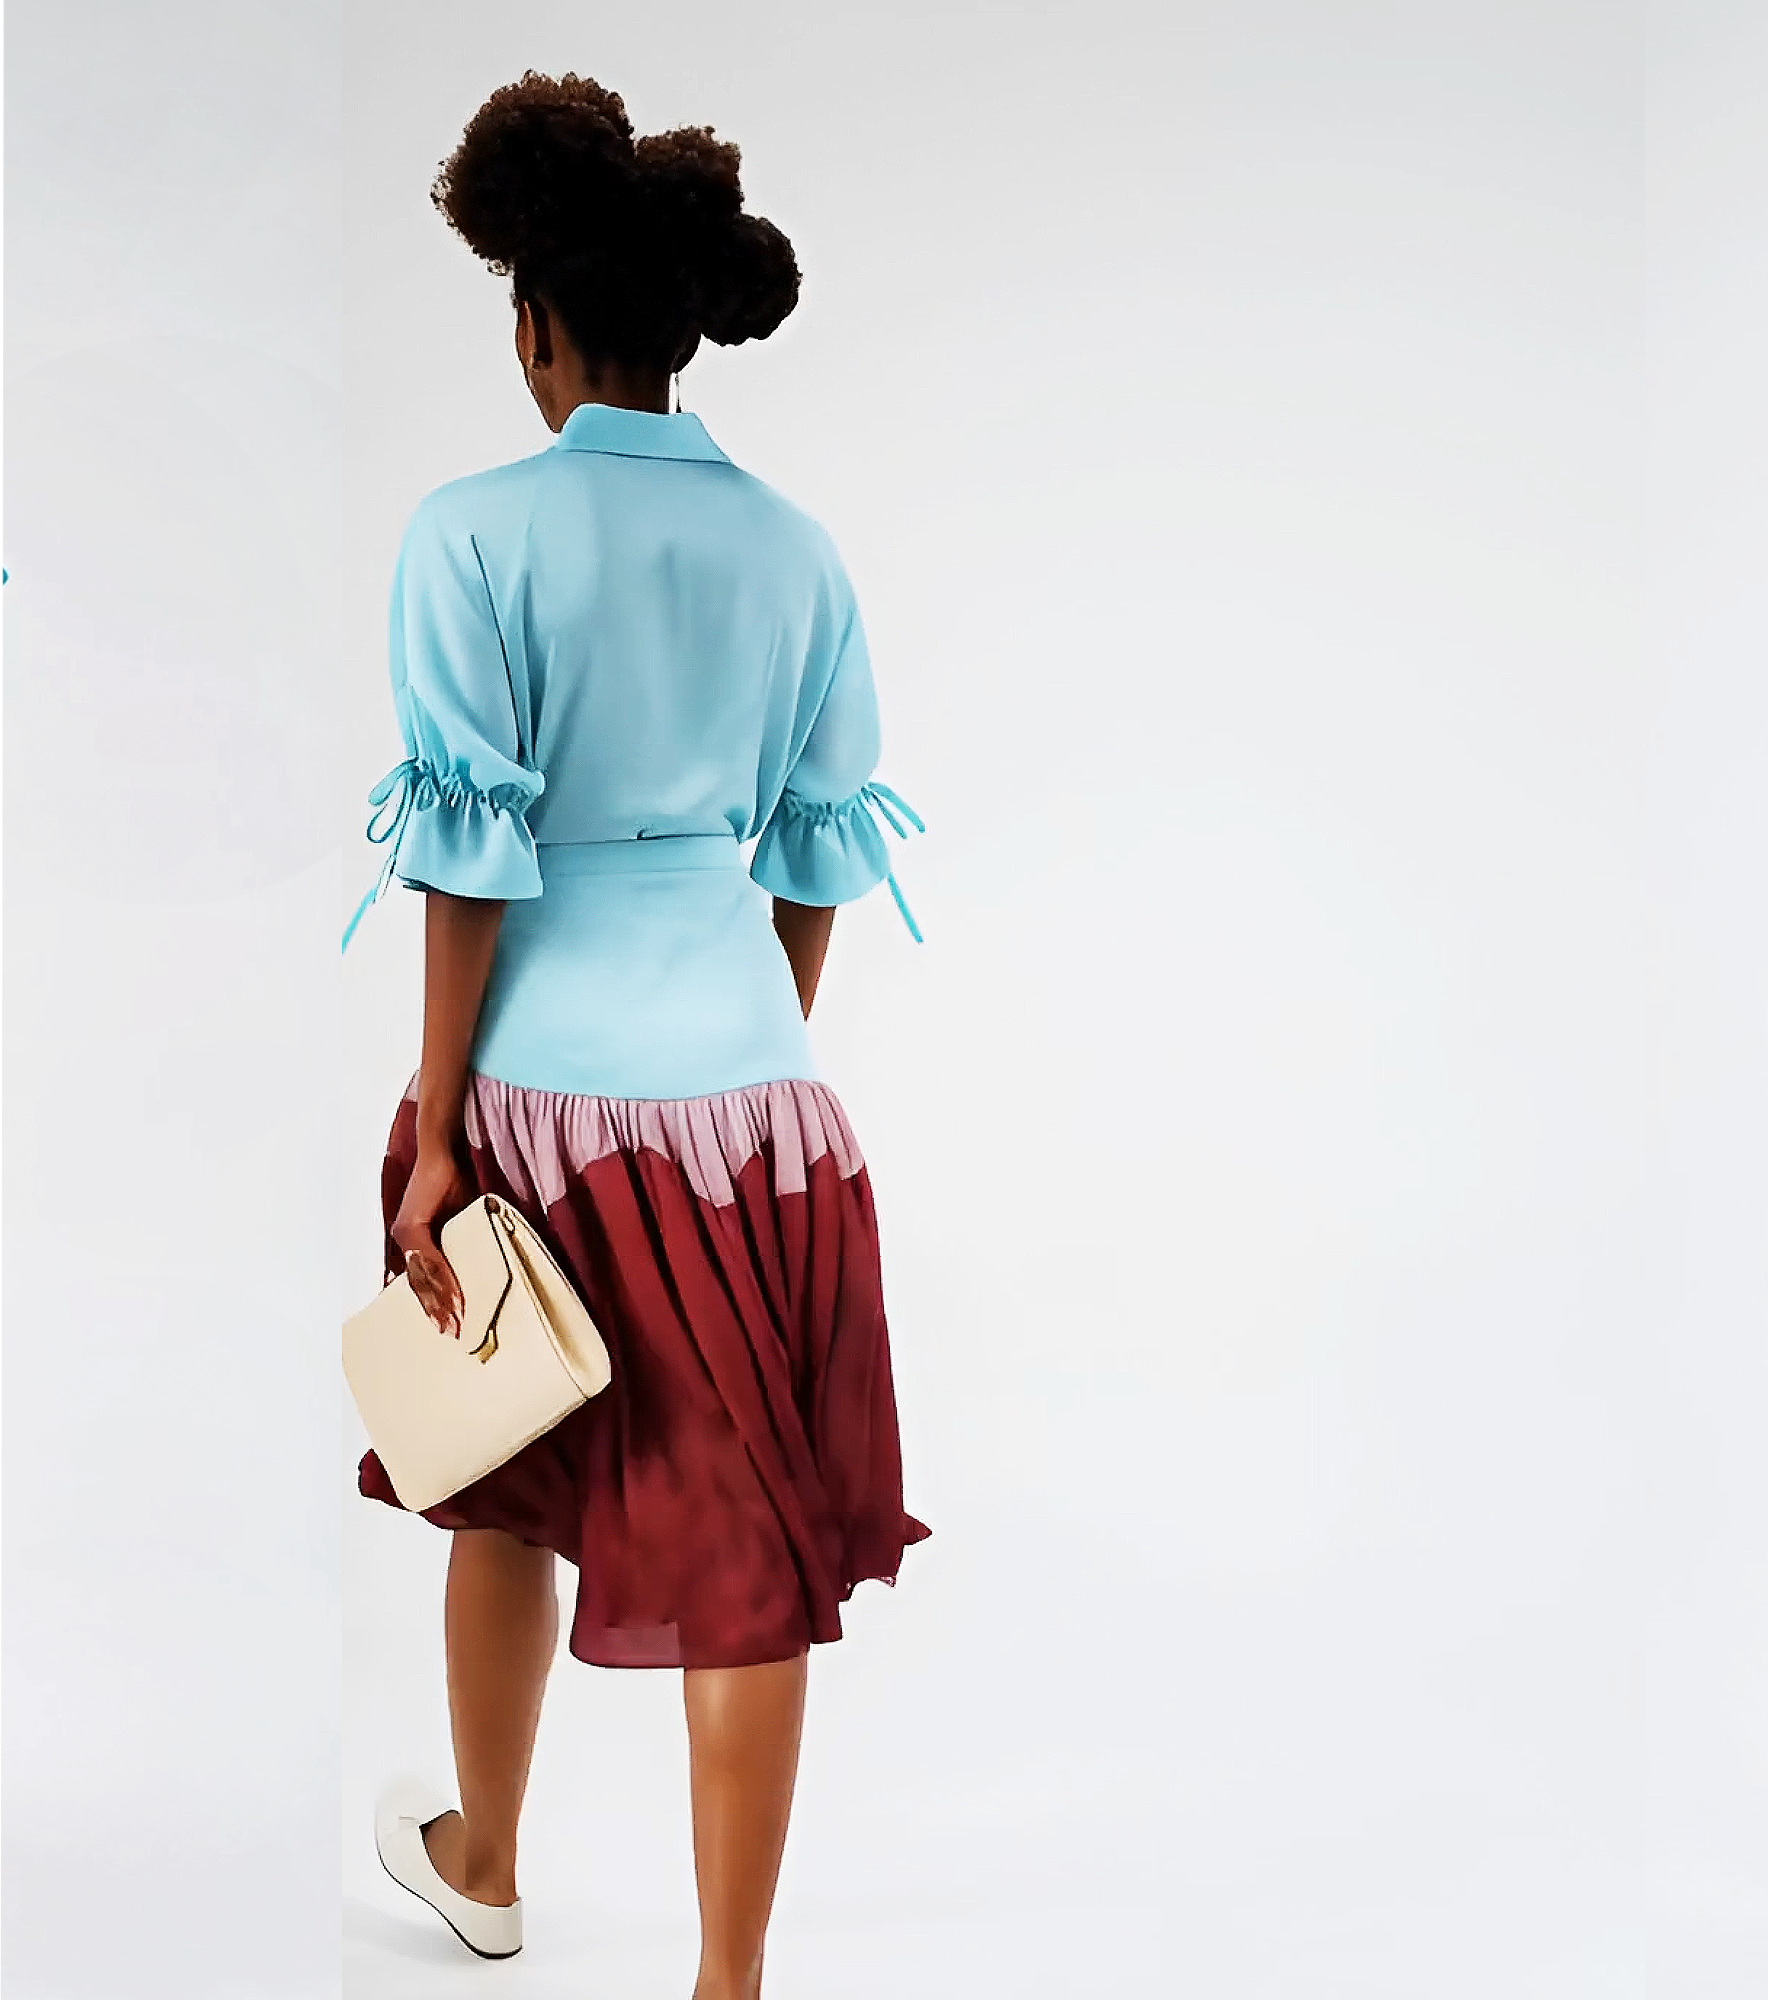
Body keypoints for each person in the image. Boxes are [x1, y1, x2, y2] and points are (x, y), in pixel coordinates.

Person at [344, 72, 930, 1997]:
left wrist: (441, 1130)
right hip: (758, 1107)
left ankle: (487, 1862)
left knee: (504, 1458)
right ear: (680, 333)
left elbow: (469, 863)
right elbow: (823, 853)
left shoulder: (472, 534)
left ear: (535, 325)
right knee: (745, 1545)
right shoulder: (798, 551)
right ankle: (725, 1982)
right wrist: (745, 1057)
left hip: (537, 1087)